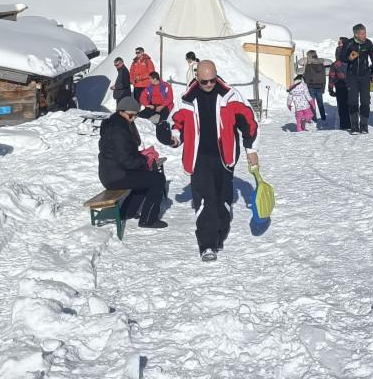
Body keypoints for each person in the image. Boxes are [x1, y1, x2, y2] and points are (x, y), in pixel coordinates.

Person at [168, 61, 260, 261]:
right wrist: (174, 137)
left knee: (222, 198)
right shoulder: (186, 98)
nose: (209, 84)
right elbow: (176, 121)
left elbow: (249, 121)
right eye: (204, 81)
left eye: (212, 80)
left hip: (224, 156)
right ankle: (207, 244)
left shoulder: (230, 96)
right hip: (198, 157)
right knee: (205, 198)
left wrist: (251, 149)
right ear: (197, 77)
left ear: (216, 75)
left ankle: (219, 234)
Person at [98, 95, 167, 229]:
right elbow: (126, 161)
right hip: (116, 176)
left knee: (145, 177)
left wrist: (140, 160)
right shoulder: (119, 130)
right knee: (157, 179)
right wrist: (143, 159)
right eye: (131, 116)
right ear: (121, 112)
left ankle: (127, 211)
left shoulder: (115, 125)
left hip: (112, 173)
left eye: (135, 116)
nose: (133, 119)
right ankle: (148, 219)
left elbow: (123, 156)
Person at [338, 24, 373, 134]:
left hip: (365, 76)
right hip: (352, 76)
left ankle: (364, 126)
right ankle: (354, 127)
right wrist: (349, 58)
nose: (364, 35)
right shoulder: (349, 43)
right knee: (353, 101)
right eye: (362, 33)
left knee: (365, 101)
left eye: (365, 33)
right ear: (356, 34)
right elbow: (341, 57)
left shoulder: (368, 43)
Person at [302, 50, 328, 122]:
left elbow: (306, 78)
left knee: (312, 103)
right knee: (320, 103)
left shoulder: (309, 66)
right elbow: (323, 77)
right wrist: (323, 87)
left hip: (311, 87)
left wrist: (304, 78)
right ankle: (323, 118)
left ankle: (314, 119)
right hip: (320, 86)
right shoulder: (321, 65)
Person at [330, 38, 350, 130]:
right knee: (351, 104)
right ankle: (352, 123)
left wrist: (330, 89)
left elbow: (332, 76)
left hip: (340, 85)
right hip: (351, 84)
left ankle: (344, 125)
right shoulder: (351, 50)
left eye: (339, 42)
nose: (338, 43)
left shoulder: (338, 52)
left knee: (342, 106)